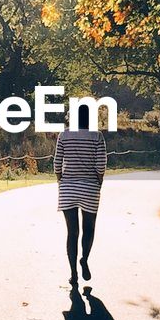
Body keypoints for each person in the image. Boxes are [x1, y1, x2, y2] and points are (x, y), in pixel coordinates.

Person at [54, 104, 107, 287]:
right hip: (90, 187)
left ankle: (73, 273)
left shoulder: (64, 135)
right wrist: (98, 183)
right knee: (89, 228)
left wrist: (62, 181)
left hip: (68, 187)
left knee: (72, 232)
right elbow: (101, 165)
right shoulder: (97, 136)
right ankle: (84, 259)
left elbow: (57, 162)